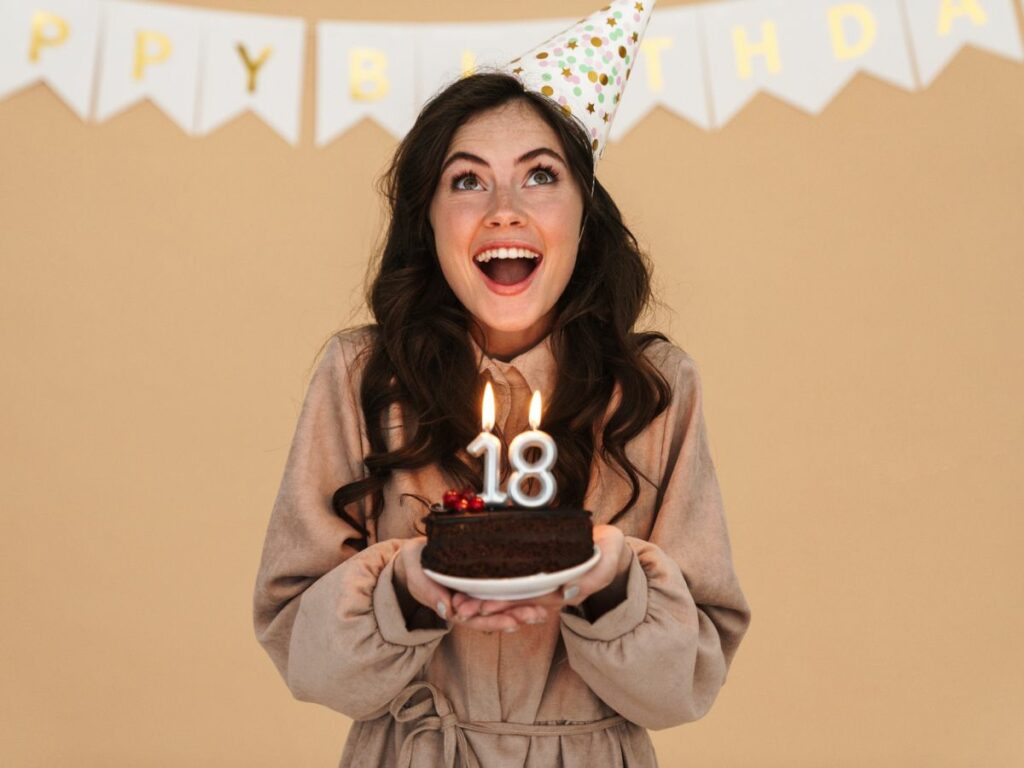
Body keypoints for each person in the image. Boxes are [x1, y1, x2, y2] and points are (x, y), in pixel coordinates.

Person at [253, 7, 749, 766]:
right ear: (429, 219)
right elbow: (304, 655)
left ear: (586, 212)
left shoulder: (655, 391)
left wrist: (610, 577)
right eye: (468, 181)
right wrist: (411, 586)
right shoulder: (361, 379)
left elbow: (685, 687)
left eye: (540, 175)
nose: (504, 210)